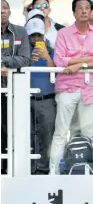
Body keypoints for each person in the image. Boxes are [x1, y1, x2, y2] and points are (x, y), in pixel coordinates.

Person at [49, 0, 93, 174]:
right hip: (67, 88)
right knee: (61, 132)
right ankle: (54, 171)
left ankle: (89, 169)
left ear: (92, 12)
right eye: (80, 8)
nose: (84, 10)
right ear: (74, 12)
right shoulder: (63, 33)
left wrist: (78, 65)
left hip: (90, 90)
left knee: (89, 134)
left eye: (87, 8)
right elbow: (59, 61)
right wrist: (85, 59)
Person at [1, 0, 31, 174]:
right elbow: (18, 60)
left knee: (11, 131)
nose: (2, 11)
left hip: (14, 90)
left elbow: (25, 59)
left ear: (10, 11)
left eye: (5, 8)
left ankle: (10, 169)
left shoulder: (20, 32)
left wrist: (4, 64)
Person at [26, 17, 56, 175]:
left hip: (47, 99)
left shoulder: (51, 49)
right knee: (27, 136)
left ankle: (43, 169)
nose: (36, 39)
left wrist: (46, 57)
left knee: (47, 135)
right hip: (26, 100)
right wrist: (29, 61)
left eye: (39, 35)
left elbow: (57, 72)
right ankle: (29, 169)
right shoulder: (23, 50)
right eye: (33, 36)